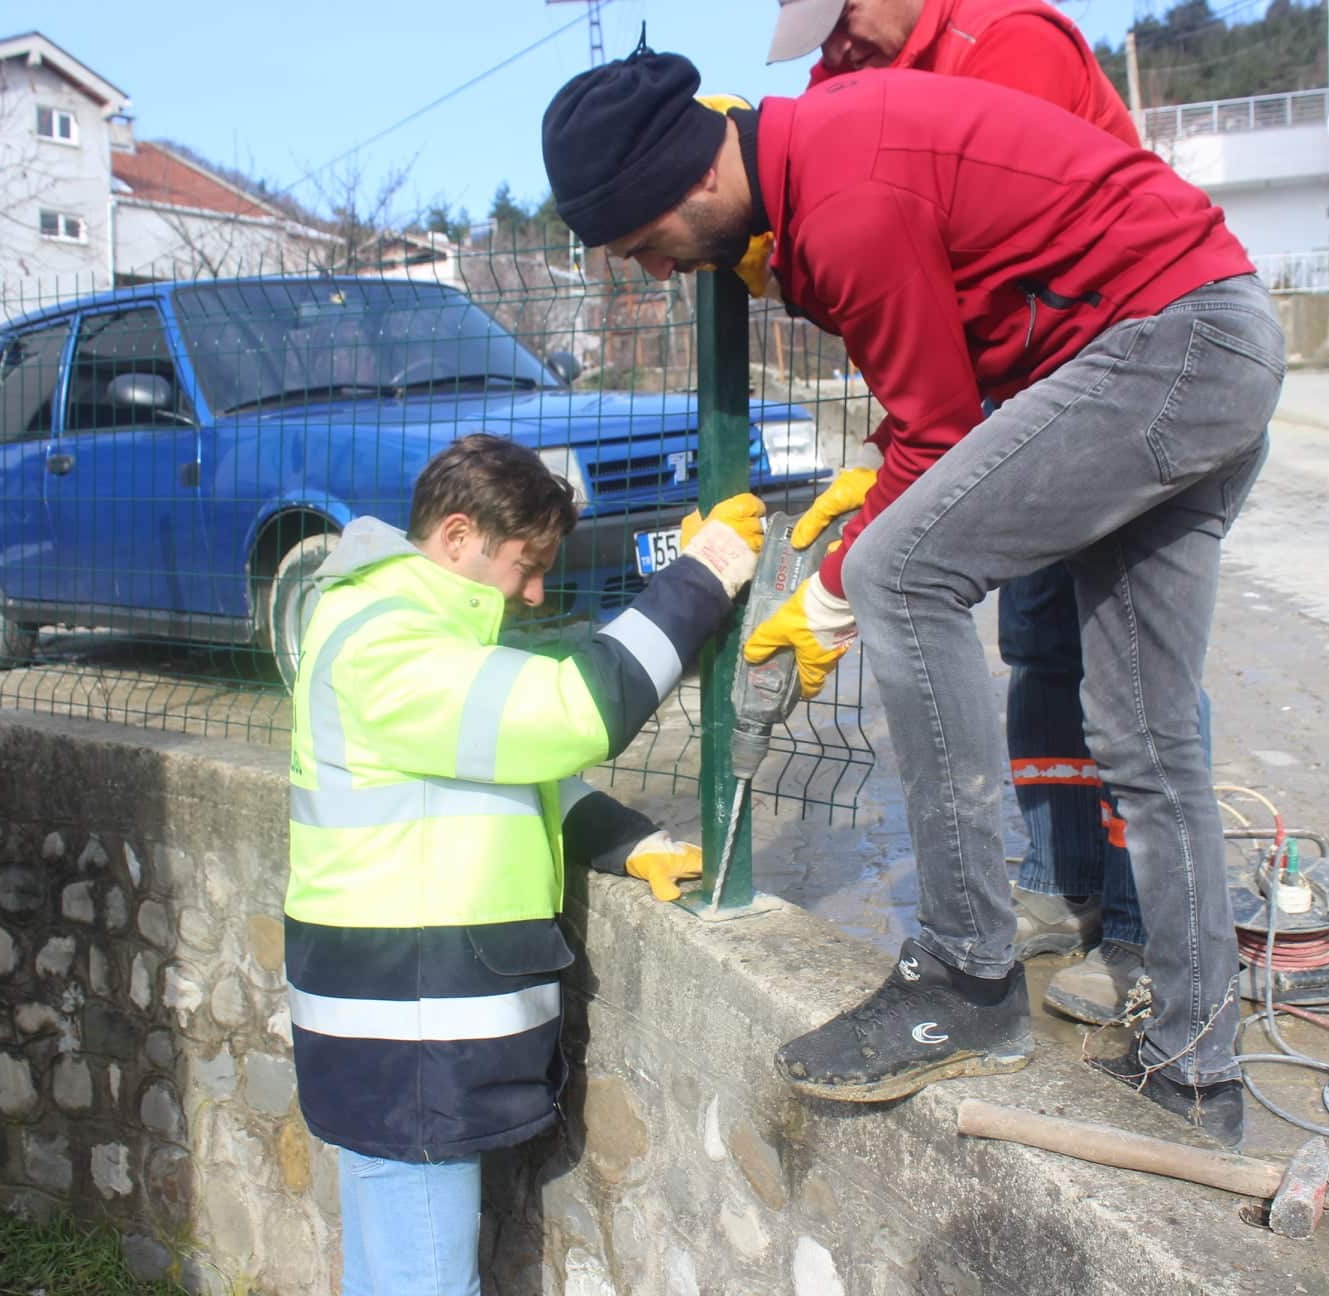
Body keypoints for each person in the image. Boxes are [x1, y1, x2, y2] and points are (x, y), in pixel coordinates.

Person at [541, 47, 1281, 1146]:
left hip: (1165, 347)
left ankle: (967, 973)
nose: (651, 275)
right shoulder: (815, 175)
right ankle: (1195, 1073)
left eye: (644, 245)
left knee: (901, 571)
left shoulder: (841, 201)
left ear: (696, 178)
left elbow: (938, 444)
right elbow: (934, 402)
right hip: (1205, 339)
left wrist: (832, 595)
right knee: (1146, 736)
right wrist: (881, 472)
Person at [765, 0, 1196, 1027]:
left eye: (842, 20)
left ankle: (1140, 934)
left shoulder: (1007, 46)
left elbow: (1012, 257)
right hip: (1019, 391)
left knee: (1127, 650)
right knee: (1042, 641)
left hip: (1111, 370)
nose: (832, 50)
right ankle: (1061, 880)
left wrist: (921, 452)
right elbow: (879, 268)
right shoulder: (852, 79)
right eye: (816, 39)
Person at [283, 433, 767, 1293]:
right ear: (459, 536)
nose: (537, 592)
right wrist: (700, 578)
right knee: (422, 1282)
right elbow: (569, 713)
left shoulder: (402, 627)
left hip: (391, 1025)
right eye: (526, 564)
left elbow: (503, 775)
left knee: (390, 1269)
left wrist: (627, 842)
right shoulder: (388, 642)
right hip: (407, 1036)